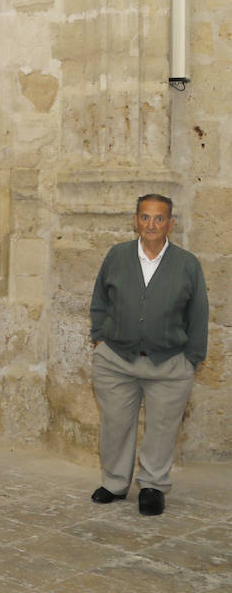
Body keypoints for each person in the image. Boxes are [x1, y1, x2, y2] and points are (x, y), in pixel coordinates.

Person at [89, 193, 207, 517]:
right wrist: (99, 338)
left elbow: (198, 314)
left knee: (162, 428)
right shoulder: (117, 256)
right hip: (116, 361)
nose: (151, 225)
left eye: (159, 218)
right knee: (114, 425)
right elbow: (100, 299)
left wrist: (192, 359)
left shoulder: (187, 264)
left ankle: (153, 486)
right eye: (145, 217)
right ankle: (114, 484)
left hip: (169, 363)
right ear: (135, 220)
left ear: (171, 223)